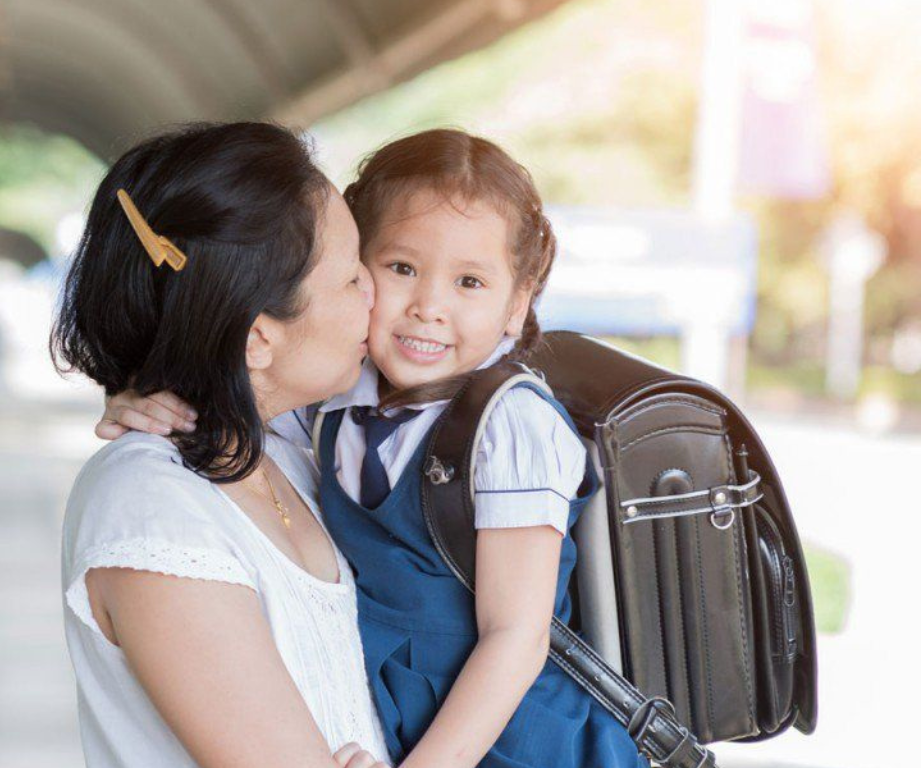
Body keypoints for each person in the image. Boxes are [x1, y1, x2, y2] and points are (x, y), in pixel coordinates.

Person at [102, 129, 647, 768]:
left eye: (469, 282)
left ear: (516, 304)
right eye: (402, 268)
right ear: (360, 272)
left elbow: (515, 637)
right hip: (398, 716)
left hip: (508, 736)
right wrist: (139, 399)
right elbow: (236, 399)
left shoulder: (512, 425)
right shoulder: (334, 398)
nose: (428, 307)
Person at [51, 121, 391, 768]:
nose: (378, 293)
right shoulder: (153, 510)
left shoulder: (285, 448)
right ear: (258, 340)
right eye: (351, 279)